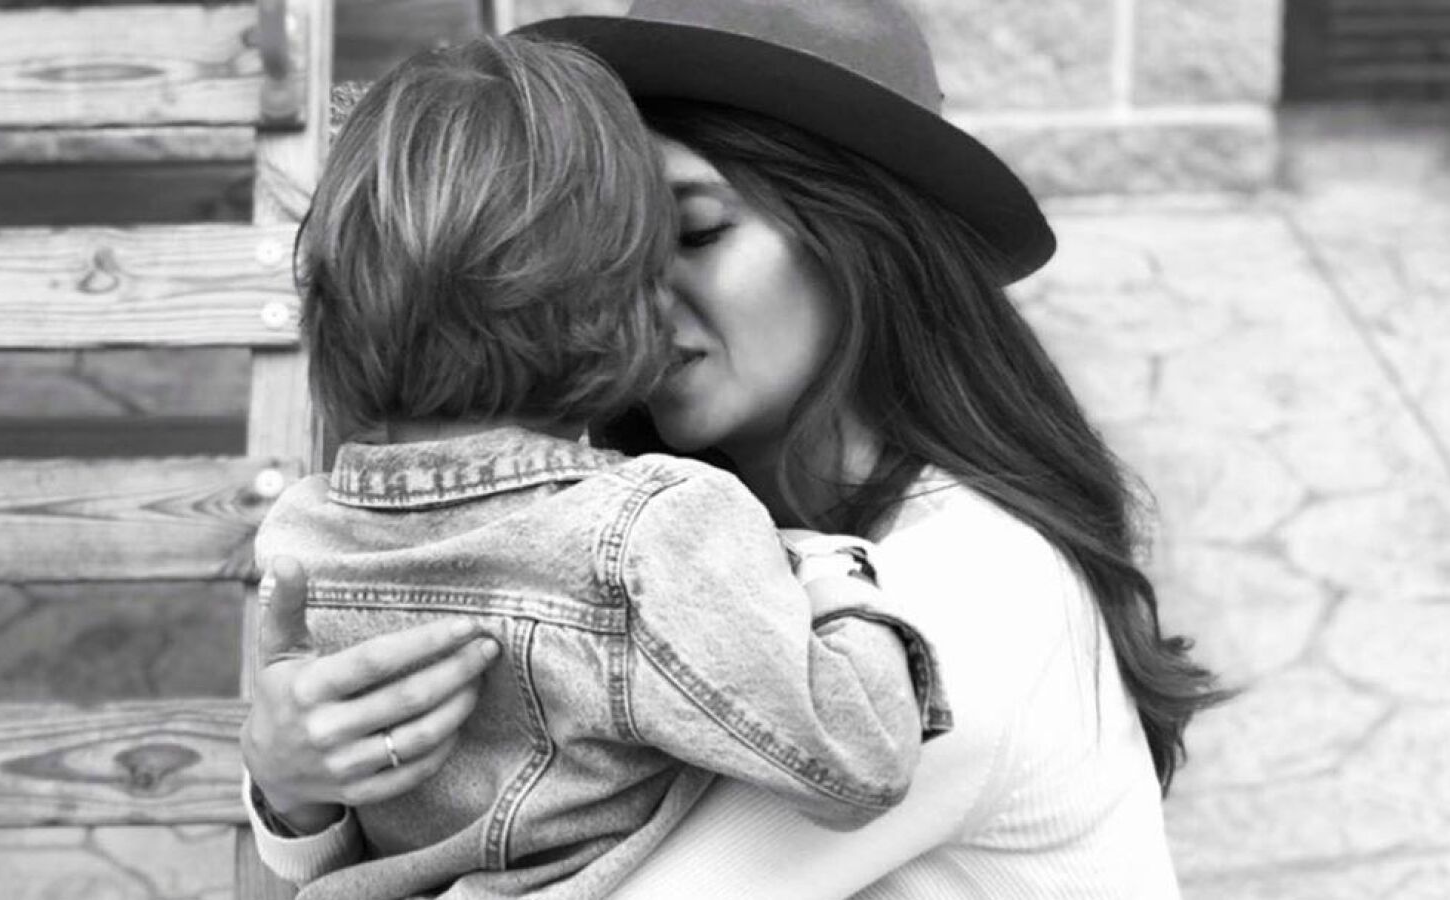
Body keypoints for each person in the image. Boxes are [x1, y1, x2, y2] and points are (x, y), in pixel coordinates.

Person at [244, 0, 1228, 896]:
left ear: (863, 243)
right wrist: (298, 789)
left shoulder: (961, 599)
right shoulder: (629, 539)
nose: (633, 296)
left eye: (696, 232)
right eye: (607, 249)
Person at [243, 33, 947, 900]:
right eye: (655, 251)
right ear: (614, 296)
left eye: (697, 233)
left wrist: (293, 804)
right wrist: (827, 567)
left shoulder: (305, 533)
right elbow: (859, 759)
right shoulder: (651, 529)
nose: (669, 294)